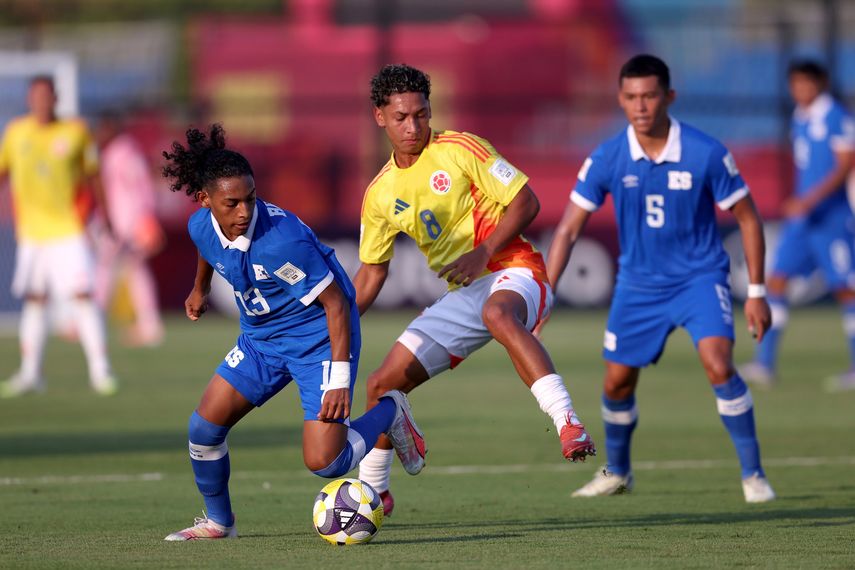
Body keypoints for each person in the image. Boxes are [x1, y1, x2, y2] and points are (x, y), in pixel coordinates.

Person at [160, 124, 425, 541]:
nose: (245, 211)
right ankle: (218, 523)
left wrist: (339, 380)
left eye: (250, 198)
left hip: (317, 340)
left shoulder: (281, 242)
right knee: (203, 431)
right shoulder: (200, 225)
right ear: (205, 200)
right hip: (260, 342)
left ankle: (390, 413)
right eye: (232, 203)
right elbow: (208, 247)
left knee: (327, 462)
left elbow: (338, 304)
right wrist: (200, 287)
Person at [355, 64, 596, 516]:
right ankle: (374, 493)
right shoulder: (380, 193)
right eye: (402, 117)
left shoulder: (460, 148)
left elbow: (527, 201)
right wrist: (335, 324)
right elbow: (371, 274)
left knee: (497, 314)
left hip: (518, 271)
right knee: (380, 386)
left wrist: (483, 252)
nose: (414, 126)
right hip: (466, 293)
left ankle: (568, 422)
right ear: (380, 117)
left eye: (422, 115)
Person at [541, 54, 775, 503]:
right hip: (638, 286)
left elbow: (748, 218)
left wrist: (757, 292)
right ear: (620, 100)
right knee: (616, 384)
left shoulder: (706, 152)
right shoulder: (608, 156)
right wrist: (545, 292)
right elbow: (569, 228)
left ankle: (754, 475)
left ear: (669, 97)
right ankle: (618, 473)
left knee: (719, 365)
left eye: (649, 96)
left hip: (699, 279)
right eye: (631, 97)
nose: (641, 106)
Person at [739, 60, 855, 392]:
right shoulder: (800, 117)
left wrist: (810, 199)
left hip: (831, 219)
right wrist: (800, 202)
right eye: (795, 84)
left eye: (806, 84)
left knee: (846, 289)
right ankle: (765, 363)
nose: (800, 90)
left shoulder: (836, 116)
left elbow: (846, 165)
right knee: (775, 282)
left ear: (821, 83)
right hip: (802, 220)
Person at [0, 76, 117, 397]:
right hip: (31, 234)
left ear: (55, 98)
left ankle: (100, 370)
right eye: (35, 96)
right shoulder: (15, 133)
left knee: (81, 295)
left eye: (46, 96)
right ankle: (30, 374)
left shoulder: (75, 132)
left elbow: (94, 176)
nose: (40, 102)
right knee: (35, 299)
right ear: (29, 99)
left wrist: (106, 217)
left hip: (68, 230)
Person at [92, 111, 166, 347]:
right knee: (133, 270)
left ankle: (94, 320)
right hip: (126, 221)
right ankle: (149, 324)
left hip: (126, 223)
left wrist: (144, 219)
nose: (99, 134)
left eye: (103, 129)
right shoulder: (119, 152)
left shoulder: (123, 152)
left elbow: (138, 187)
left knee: (106, 268)